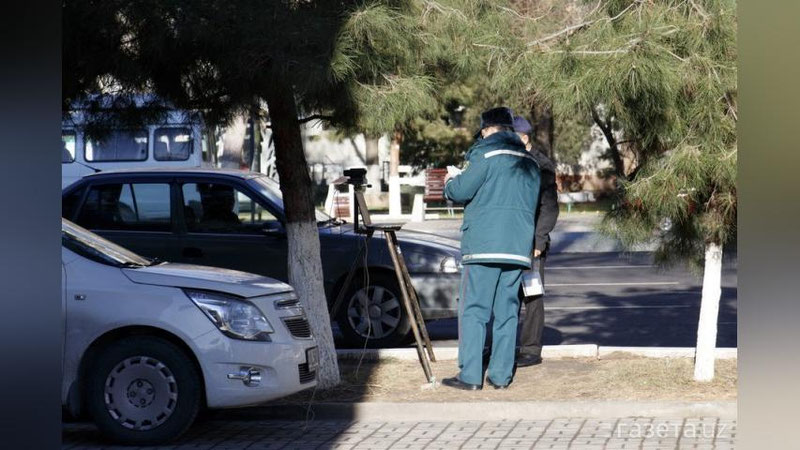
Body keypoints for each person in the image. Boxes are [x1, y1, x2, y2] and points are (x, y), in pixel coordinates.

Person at [441, 107, 541, 390]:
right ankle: (500, 375)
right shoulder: (530, 161)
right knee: (507, 313)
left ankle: (470, 375)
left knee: (474, 310)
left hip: (483, 245)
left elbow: (460, 191)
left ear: (487, 130)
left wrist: (450, 181)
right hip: (517, 246)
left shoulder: (484, 155)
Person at [512, 116, 560, 367]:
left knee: (532, 296)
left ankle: (531, 350)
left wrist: (539, 241)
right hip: (510, 241)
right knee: (507, 297)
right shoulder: (511, 161)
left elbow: (549, 207)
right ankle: (504, 347)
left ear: (524, 137)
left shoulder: (541, 165)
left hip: (532, 244)